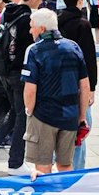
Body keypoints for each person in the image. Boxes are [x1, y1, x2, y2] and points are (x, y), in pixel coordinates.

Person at [21, 9, 92, 174]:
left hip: (43, 116)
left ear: (42, 29)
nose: (30, 31)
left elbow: (30, 89)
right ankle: (65, 194)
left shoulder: (34, 50)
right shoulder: (73, 47)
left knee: (43, 165)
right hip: (69, 116)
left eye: (32, 27)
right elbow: (85, 86)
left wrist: (29, 110)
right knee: (66, 165)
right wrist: (81, 116)